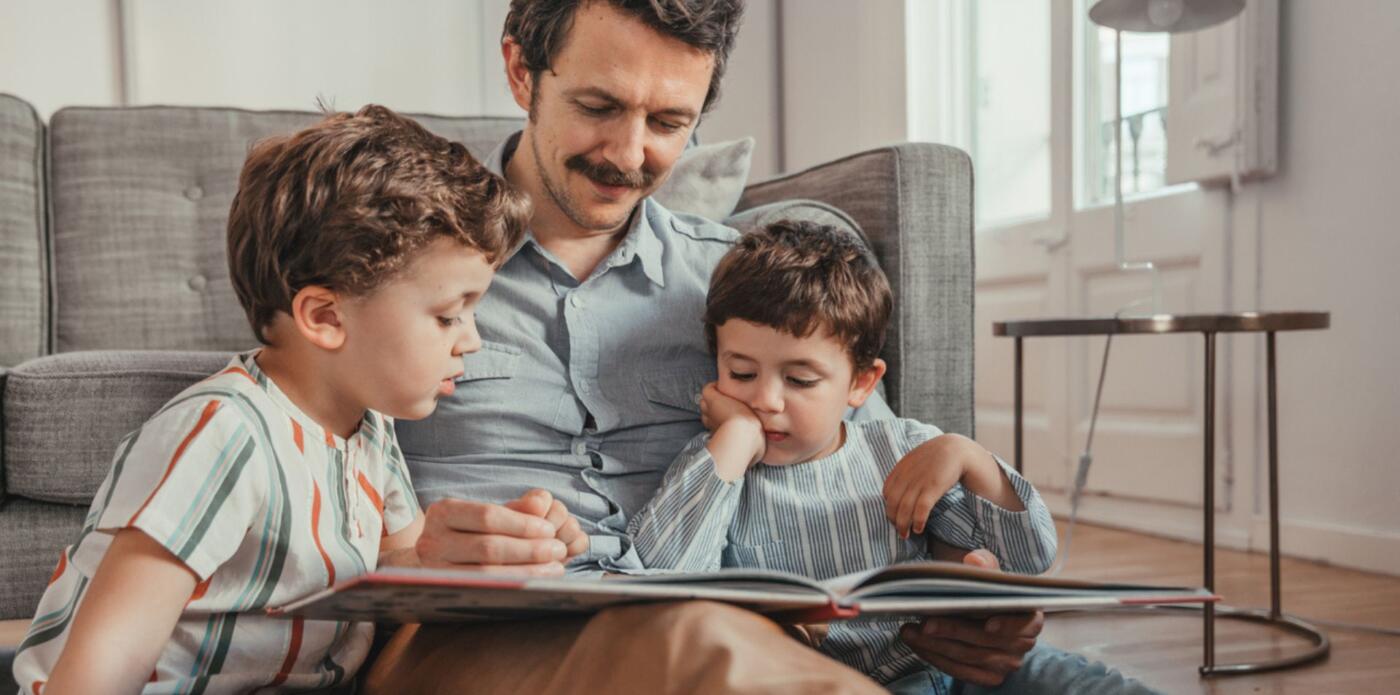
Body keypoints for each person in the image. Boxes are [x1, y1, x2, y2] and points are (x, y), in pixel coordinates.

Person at [366, 1, 1062, 693]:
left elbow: (872, 475)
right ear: (522, 72)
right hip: (478, 637)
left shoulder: (747, 290)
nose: (629, 154)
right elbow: (288, 490)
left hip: (751, 631)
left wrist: (974, 596)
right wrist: (402, 552)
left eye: (669, 122)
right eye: (599, 105)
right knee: (705, 647)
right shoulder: (395, 272)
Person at [10, 105, 551, 694]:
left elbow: (398, 574)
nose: (472, 339)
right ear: (324, 316)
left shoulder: (368, 429)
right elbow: (93, 678)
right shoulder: (222, 435)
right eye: (449, 316)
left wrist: (485, 558)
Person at [628, 220, 1063, 693]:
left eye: (800, 380)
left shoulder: (904, 448)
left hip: (945, 671)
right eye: (741, 372)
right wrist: (735, 435)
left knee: (1077, 681)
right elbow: (660, 584)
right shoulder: (717, 468)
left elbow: (1029, 559)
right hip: (810, 682)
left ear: (860, 383)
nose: (767, 400)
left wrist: (970, 457)